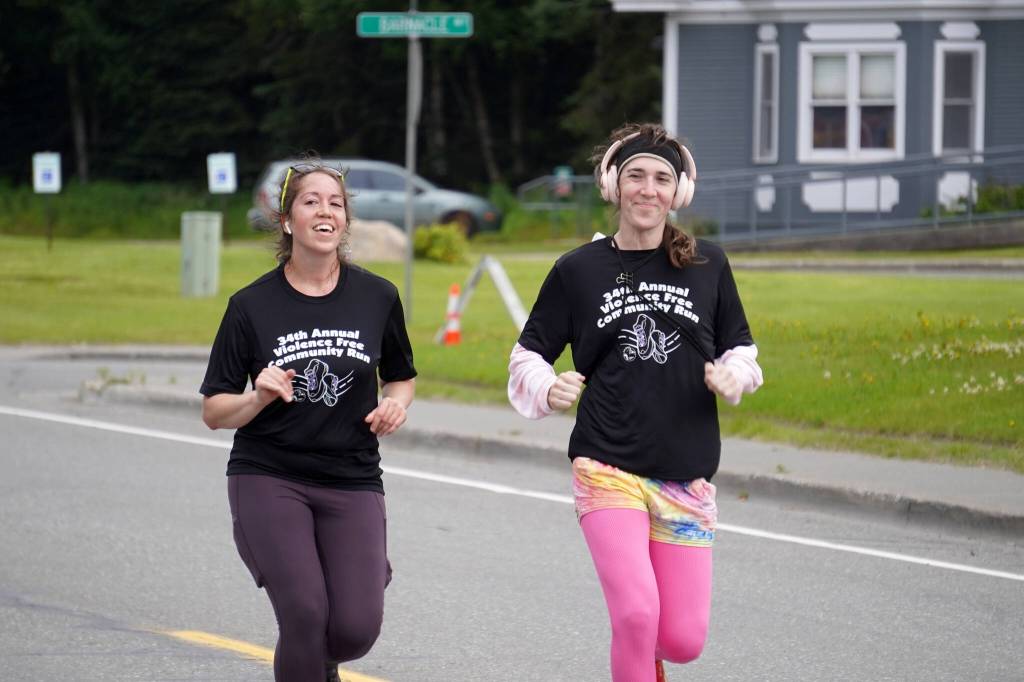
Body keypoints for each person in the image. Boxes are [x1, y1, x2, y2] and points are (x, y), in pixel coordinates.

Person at [508, 123, 763, 681]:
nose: (648, 190)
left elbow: (742, 348)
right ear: (613, 187)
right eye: (636, 177)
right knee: (636, 613)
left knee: (681, 639)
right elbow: (527, 354)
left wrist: (734, 375)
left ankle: (648, 663)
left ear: (679, 193)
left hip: (684, 475)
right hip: (606, 464)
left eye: (662, 179)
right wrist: (547, 386)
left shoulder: (708, 265)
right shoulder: (577, 271)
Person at [200, 160, 416, 682]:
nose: (325, 210)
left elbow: (402, 375)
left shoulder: (378, 296)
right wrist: (257, 398)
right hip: (269, 475)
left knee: (353, 631)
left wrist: (397, 405)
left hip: (352, 474)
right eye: (310, 201)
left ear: (344, 222)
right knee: (304, 614)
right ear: (287, 220)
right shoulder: (251, 305)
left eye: (335, 203)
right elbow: (213, 410)